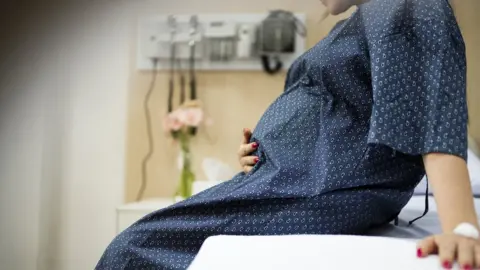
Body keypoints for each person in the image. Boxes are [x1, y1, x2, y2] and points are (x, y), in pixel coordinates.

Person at [96, 0, 479, 269]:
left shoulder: (407, 4)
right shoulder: (370, 18)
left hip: (311, 187)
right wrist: (265, 148)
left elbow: (434, 110)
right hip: (293, 180)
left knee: (132, 249)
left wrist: (461, 227)